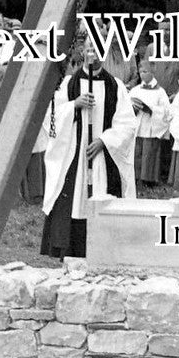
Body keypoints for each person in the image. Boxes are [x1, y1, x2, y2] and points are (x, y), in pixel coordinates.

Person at [41, 42, 138, 259]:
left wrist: (105, 140)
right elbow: (51, 117)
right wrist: (73, 105)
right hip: (75, 153)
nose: (93, 55)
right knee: (75, 200)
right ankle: (71, 249)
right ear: (83, 52)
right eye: (89, 49)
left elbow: (127, 124)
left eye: (98, 50)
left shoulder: (116, 86)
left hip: (103, 155)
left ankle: (105, 249)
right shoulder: (68, 84)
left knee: (103, 196)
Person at [129, 59, 170, 187]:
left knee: (150, 152)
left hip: (152, 127)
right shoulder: (135, 90)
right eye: (140, 72)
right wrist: (133, 108)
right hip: (138, 126)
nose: (142, 74)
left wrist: (151, 110)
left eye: (145, 71)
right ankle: (135, 177)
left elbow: (166, 112)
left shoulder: (160, 92)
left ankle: (149, 179)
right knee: (137, 152)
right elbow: (126, 108)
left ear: (153, 72)